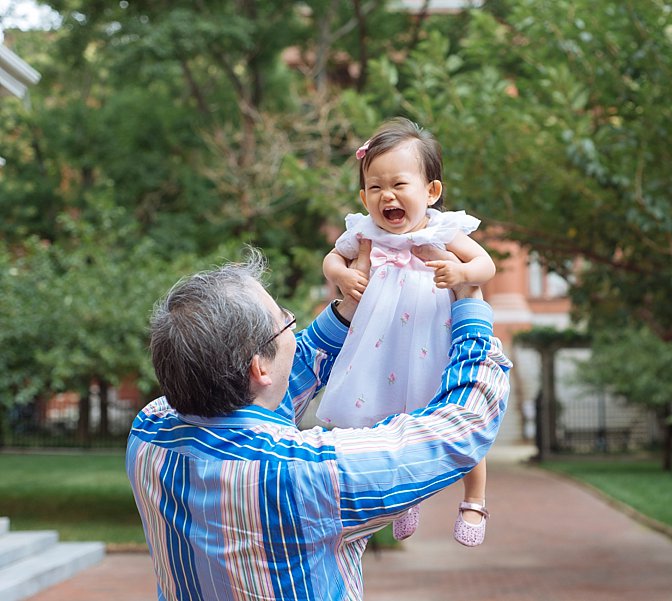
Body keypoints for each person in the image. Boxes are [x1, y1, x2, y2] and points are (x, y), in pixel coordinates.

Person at [126, 246, 510, 601]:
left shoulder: (149, 432)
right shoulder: (309, 472)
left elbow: (278, 380)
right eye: (285, 321)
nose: (294, 328)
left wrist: (349, 308)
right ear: (258, 365)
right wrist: (471, 308)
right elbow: (462, 426)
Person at [316, 117, 497, 546]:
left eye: (399, 184)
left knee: (457, 417)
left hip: (436, 341)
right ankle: (404, 496)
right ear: (363, 197)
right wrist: (342, 277)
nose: (387, 196)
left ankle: (475, 498)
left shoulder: (443, 230)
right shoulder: (364, 233)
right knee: (391, 417)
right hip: (384, 347)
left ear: (430, 192)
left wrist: (459, 270)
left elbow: (485, 266)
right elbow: (330, 260)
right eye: (375, 188)